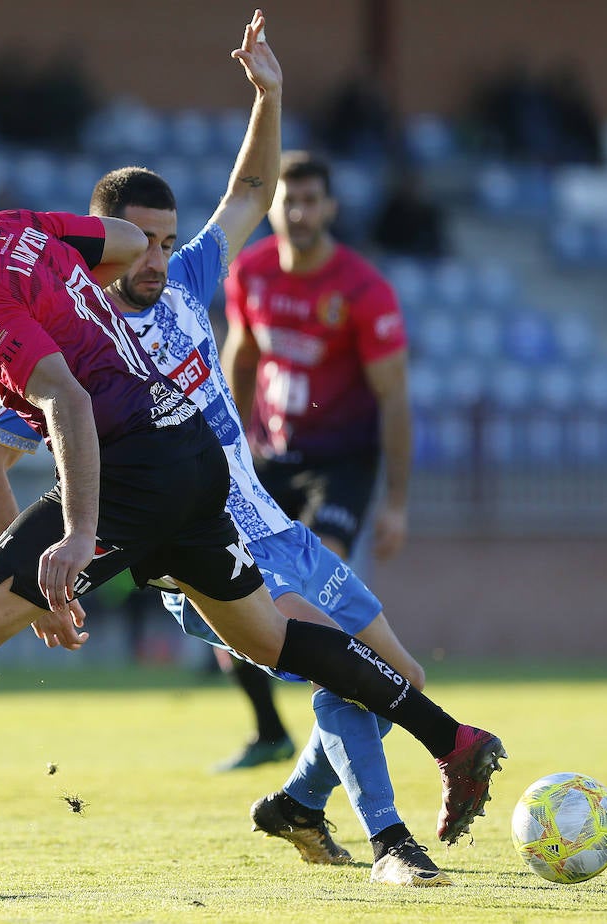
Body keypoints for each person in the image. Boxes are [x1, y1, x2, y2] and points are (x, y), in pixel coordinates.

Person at [0, 12, 503, 896]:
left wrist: (77, 537)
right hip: (190, 458)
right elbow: (119, 248)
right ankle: (454, 740)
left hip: (133, 470)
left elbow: (68, 400)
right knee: (277, 640)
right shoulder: (4, 231)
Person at [0, 36, 456, 880]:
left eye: (165, 239)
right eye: (139, 242)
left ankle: (297, 805)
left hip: (275, 524)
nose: (156, 255)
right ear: (97, 246)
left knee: (396, 676)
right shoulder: (76, 344)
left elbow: (251, 190)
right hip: (199, 551)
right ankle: (392, 845)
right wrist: (38, 582)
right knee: (362, 675)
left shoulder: (192, 279)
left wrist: (268, 96)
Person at [219, 151, 415, 774]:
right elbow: (241, 360)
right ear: (270, 204)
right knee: (227, 589)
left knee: (317, 588)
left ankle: (336, 725)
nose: (298, 212)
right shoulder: (249, 273)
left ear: (330, 207)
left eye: (311, 200)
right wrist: (228, 449)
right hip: (270, 457)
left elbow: (394, 399)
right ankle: (270, 732)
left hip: (341, 464)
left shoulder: (362, 289)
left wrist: (397, 503)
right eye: (287, 199)